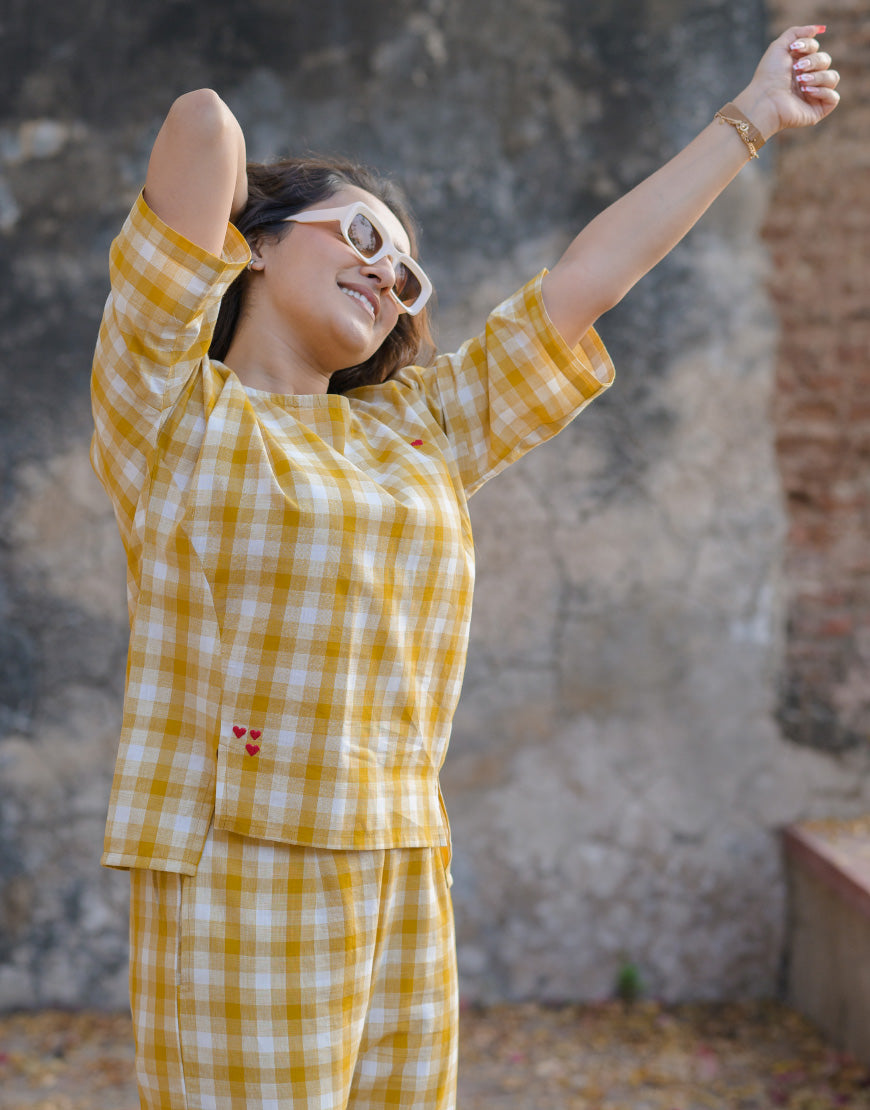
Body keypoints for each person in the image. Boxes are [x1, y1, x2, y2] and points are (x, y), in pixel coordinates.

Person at [90, 23, 839, 1110]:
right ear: (249, 244)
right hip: (241, 861)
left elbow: (586, 281)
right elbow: (202, 126)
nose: (388, 275)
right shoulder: (169, 412)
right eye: (359, 235)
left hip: (402, 857)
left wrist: (752, 118)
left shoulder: (419, 429)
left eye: (405, 270)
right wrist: (266, 203)